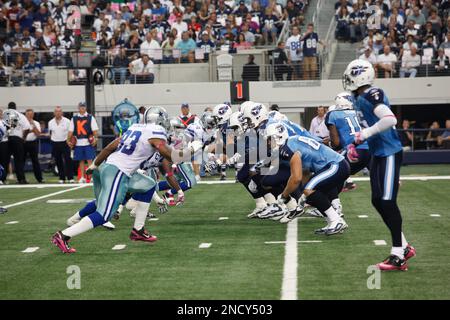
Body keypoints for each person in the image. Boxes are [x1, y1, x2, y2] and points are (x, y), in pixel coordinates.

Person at [51, 111, 203, 253]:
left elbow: (110, 147)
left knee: (148, 185)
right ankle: (63, 235)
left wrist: (95, 165)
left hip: (112, 167)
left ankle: (138, 230)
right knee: (104, 215)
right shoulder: (155, 134)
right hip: (118, 172)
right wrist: (192, 149)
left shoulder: (135, 128)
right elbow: (175, 157)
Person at [343, 59, 416, 271]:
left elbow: (389, 120)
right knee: (377, 200)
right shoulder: (358, 98)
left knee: (387, 200)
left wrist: (364, 134)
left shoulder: (372, 94)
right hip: (379, 153)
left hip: (390, 152)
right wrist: (357, 142)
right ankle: (403, 246)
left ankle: (398, 254)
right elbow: (369, 126)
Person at [265, 122, 349, 235]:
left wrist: (284, 195)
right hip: (334, 165)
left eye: (269, 139)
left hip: (335, 165)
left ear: (278, 137)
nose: (268, 143)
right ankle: (332, 221)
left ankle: (336, 221)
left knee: (309, 190)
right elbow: (305, 172)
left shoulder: (287, 148)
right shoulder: (292, 142)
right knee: (310, 195)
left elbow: (296, 178)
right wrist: (301, 195)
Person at [67, 102, 99, 183]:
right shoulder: (74, 118)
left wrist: (96, 138)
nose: (82, 108)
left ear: (85, 108)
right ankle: (82, 177)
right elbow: (70, 131)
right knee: (80, 160)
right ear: (78, 108)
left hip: (88, 141)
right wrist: (68, 140)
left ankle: (91, 177)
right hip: (78, 142)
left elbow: (95, 130)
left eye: (84, 106)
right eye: (81, 106)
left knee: (90, 160)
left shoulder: (90, 117)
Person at [48, 106, 74, 184]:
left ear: (62, 113)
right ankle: (61, 178)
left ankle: (70, 178)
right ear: (54, 113)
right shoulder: (50, 122)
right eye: (56, 111)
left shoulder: (67, 121)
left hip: (65, 142)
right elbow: (50, 133)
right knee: (58, 161)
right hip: (55, 143)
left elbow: (71, 132)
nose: (58, 113)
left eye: (59, 111)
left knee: (68, 160)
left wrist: (70, 142)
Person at [6, 102, 30, 184]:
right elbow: (27, 128)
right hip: (17, 139)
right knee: (19, 160)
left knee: (5, 159)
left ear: (8, 107)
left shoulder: (5, 113)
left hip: (7, 139)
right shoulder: (21, 115)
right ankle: (21, 179)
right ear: (16, 107)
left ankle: (2, 179)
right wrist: (24, 137)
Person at [24, 109, 43, 183]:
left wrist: (33, 125)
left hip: (33, 143)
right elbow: (22, 133)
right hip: (24, 143)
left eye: (31, 114)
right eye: (28, 114)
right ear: (25, 115)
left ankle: (39, 178)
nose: (29, 116)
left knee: (35, 161)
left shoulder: (36, 123)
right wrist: (31, 131)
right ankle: (21, 178)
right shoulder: (22, 123)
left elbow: (38, 134)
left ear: (33, 115)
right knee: (21, 161)